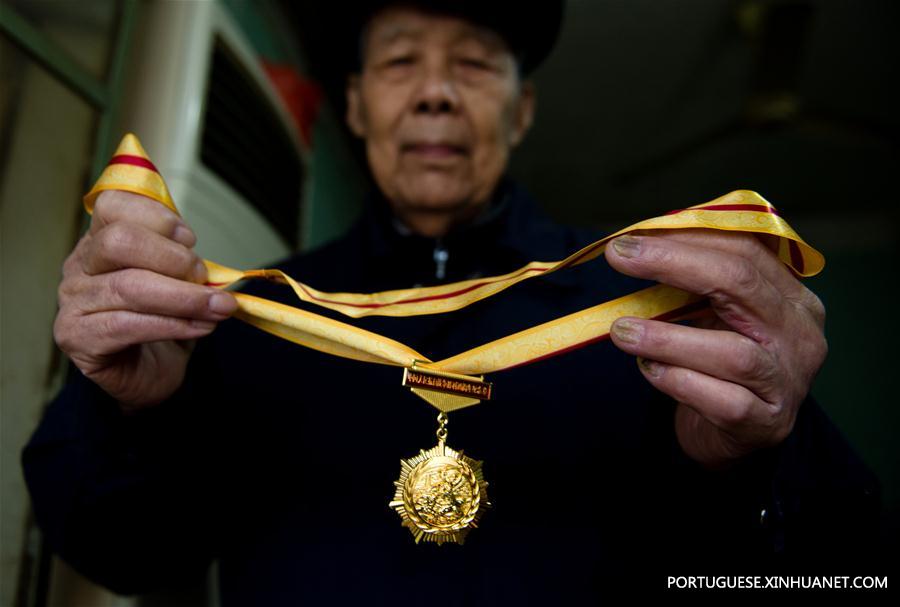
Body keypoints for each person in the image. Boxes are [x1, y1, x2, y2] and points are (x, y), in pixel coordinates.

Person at [24, 1, 880, 603]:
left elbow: (842, 570)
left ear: (523, 110)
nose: (435, 90)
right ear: (356, 107)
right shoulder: (240, 321)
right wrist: (127, 409)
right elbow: (120, 556)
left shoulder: (662, 307)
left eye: (473, 62)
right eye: (400, 61)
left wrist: (761, 456)